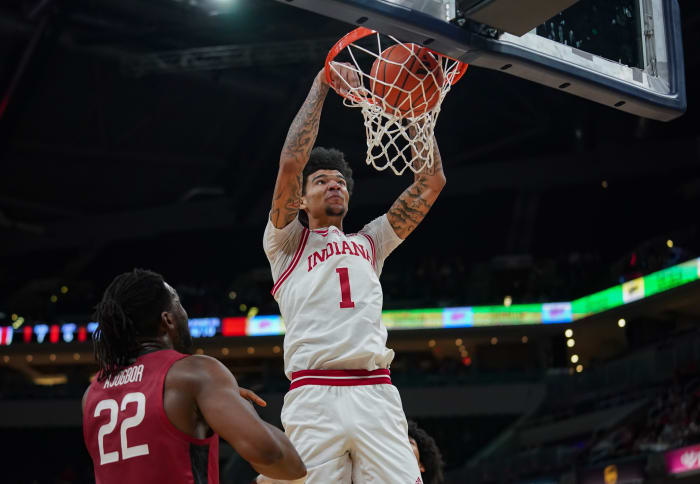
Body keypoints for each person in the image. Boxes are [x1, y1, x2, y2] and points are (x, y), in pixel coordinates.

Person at [261, 61, 446, 483]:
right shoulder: (287, 244)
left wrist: (417, 109)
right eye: (322, 181)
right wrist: (322, 83)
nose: (335, 185)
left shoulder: (370, 243)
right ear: (302, 202)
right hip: (313, 395)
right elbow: (291, 162)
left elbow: (430, 183)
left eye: (341, 182)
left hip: (375, 391)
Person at [82, 269, 306, 484]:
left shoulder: (91, 395)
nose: (184, 313)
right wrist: (245, 409)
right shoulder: (194, 374)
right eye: (178, 303)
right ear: (167, 320)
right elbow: (277, 458)